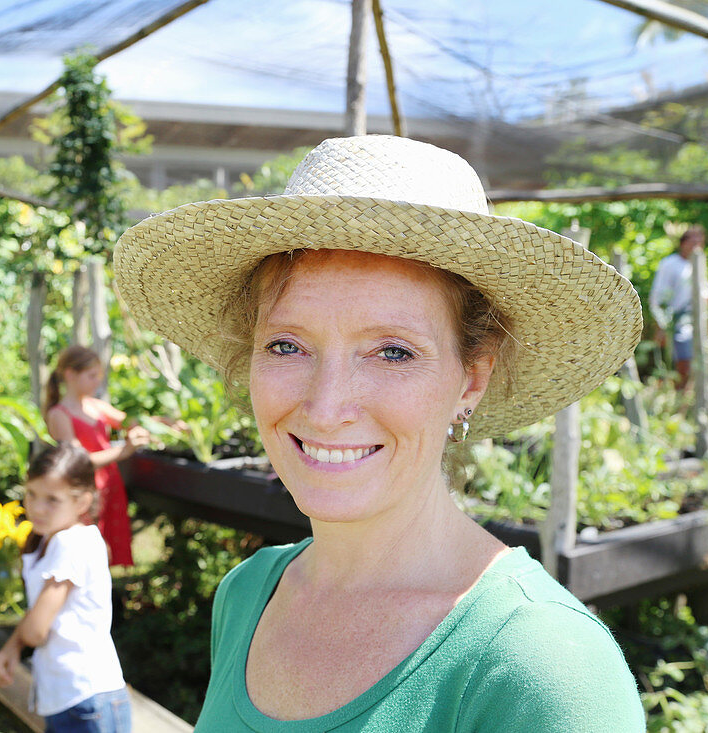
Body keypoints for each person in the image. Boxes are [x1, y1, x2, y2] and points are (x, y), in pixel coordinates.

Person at [113, 135, 645, 730]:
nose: (326, 406)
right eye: (287, 345)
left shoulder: (543, 670)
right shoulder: (249, 596)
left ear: (471, 378)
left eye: (392, 352)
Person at [0, 442, 131, 733]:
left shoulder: (71, 543)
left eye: (52, 499)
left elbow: (36, 630)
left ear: (81, 503)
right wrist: (12, 648)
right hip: (75, 699)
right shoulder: (53, 538)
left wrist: (18, 641)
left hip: (86, 701)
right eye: (31, 494)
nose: (37, 508)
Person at [43, 346, 150, 567]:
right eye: (91, 376)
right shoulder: (59, 415)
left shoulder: (94, 405)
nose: (97, 382)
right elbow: (79, 461)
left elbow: (132, 421)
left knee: (108, 543)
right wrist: (124, 451)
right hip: (85, 490)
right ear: (71, 375)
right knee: (88, 547)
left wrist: (164, 424)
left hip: (109, 484)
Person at [649, 225, 708, 389]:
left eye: (700, 241)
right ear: (683, 243)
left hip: (695, 322)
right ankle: (673, 395)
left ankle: (684, 399)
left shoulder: (698, 262)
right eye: (693, 240)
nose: (697, 244)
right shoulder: (670, 264)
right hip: (675, 322)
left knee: (694, 362)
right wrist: (662, 324)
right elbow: (658, 296)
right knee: (679, 363)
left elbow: (703, 293)